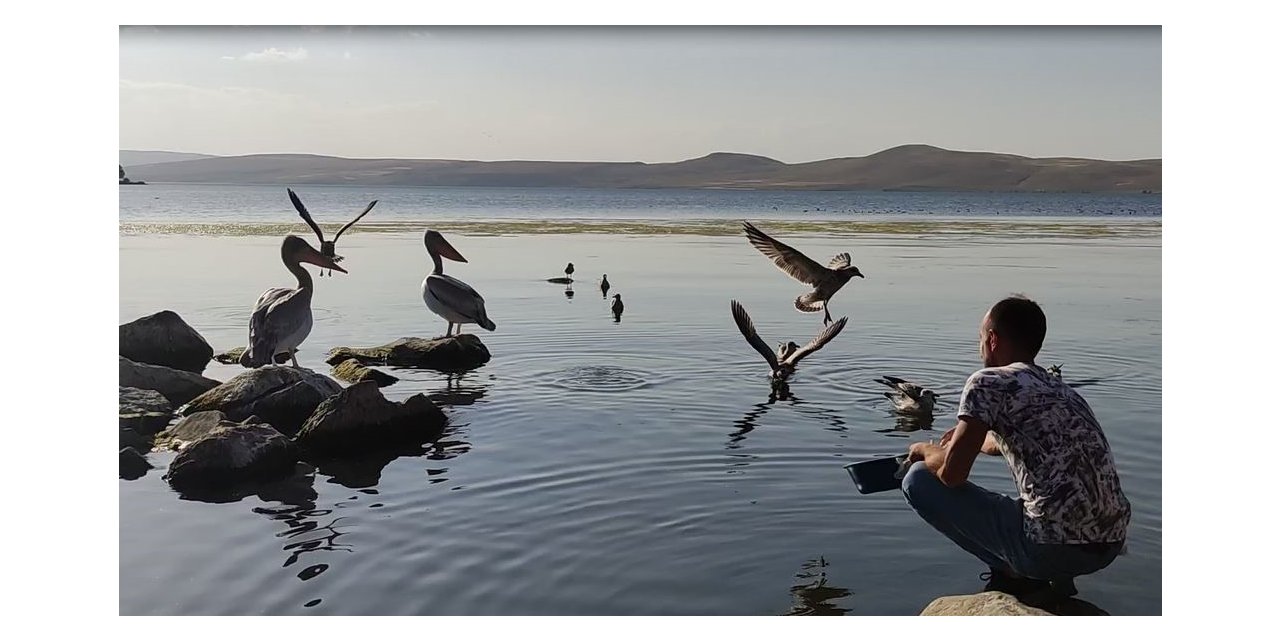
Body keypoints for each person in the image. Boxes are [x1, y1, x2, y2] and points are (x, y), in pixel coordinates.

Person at [901, 295, 1130, 603]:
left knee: (917, 479)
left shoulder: (986, 382)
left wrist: (925, 450)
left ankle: (1014, 573)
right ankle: (1057, 582)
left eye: (981, 338)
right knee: (1046, 501)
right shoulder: (1063, 391)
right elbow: (1009, 440)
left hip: (1049, 549)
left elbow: (951, 476)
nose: (980, 347)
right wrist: (970, 440)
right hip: (1110, 543)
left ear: (993, 340)